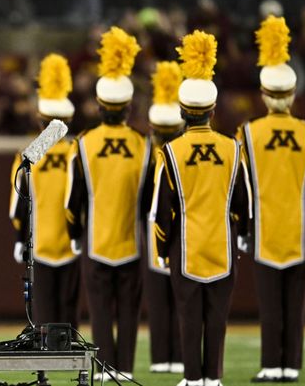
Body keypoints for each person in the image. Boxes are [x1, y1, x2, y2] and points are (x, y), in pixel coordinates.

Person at [151, 30, 250, 386]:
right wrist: (242, 236)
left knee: (189, 317)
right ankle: (215, 377)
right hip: (222, 246)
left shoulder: (171, 152)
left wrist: (163, 249)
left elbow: (162, 213)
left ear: (182, 111)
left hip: (185, 248)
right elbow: (244, 203)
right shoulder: (233, 149)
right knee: (218, 319)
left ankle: (193, 379)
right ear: (211, 110)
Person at [65, 26, 148, 382]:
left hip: (96, 242)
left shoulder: (83, 143)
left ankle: (105, 369)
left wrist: (75, 233)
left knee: (99, 309)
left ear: (99, 106)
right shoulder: (145, 144)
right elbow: (151, 201)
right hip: (132, 242)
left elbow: (74, 198)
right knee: (128, 309)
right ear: (128, 107)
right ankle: (125, 368)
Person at [237, 16, 305, 383]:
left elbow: (240, 184)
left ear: (264, 95)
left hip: (263, 228)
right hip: (298, 229)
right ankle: (291, 365)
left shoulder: (248, 133)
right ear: (293, 94)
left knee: (270, 304)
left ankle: (271, 364)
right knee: (294, 304)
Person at [9, 53, 79, 329]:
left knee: (43, 307)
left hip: (39, 241)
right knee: (69, 306)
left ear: (40, 120)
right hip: (71, 241)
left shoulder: (28, 155)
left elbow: (19, 202)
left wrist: (19, 236)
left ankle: (44, 349)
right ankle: (71, 347)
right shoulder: (76, 151)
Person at [141, 61, 184, 375]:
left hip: (160, 229)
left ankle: (165, 356)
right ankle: (174, 356)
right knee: (175, 296)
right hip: (181, 231)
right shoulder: (157, 154)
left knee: (165, 296)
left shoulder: (149, 153)